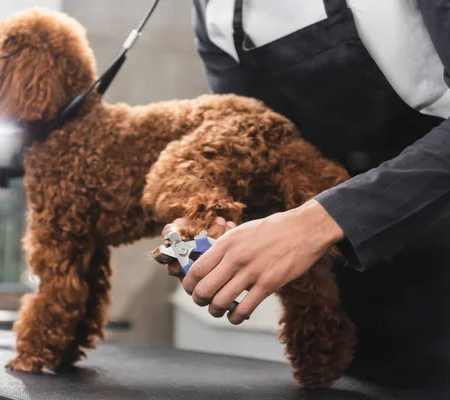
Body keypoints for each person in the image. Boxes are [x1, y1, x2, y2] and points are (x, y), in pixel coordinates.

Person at [163, 0, 450, 388]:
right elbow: (262, 157)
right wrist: (218, 226)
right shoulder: (210, 9)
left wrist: (316, 222)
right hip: (359, 299)